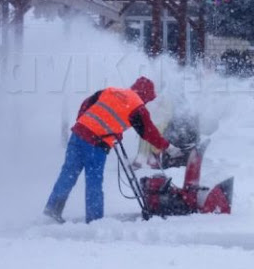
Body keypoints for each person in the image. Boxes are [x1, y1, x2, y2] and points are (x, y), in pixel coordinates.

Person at [44, 76, 183, 223]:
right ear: (146, 95)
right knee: (94, 182)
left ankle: (53, 207)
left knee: (68, 174)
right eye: (148, 99)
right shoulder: (137, 106)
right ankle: (94, 220)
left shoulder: (111, 91)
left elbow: (87, 103)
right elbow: (149, 132)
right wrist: (168, 147)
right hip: (95, 143)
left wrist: (83, 122)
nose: (147, 102)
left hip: (78, 135)